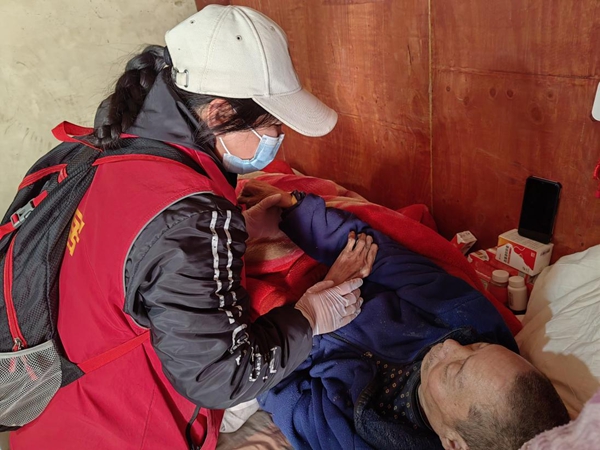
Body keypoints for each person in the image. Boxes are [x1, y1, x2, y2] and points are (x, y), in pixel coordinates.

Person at [10, 5, 370, 450]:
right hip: (125, 432)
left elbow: (127, 258)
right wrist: (309, 317)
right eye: (272, 122)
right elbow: (220, 376)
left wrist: (232, 229)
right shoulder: (192, 216)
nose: (279, 137)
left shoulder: (106, 150)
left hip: (56, 415)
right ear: (218, 113)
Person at [238, 180, 571, 450]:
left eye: (453, 371)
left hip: (276, 330)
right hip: (331, 268)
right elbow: (382, 255)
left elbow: (276, 388)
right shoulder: (470, 320)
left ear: (453, 443)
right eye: (478, 347)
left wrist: (306, 313)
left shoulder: (356, 437)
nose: (451, 345)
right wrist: (296, 211)